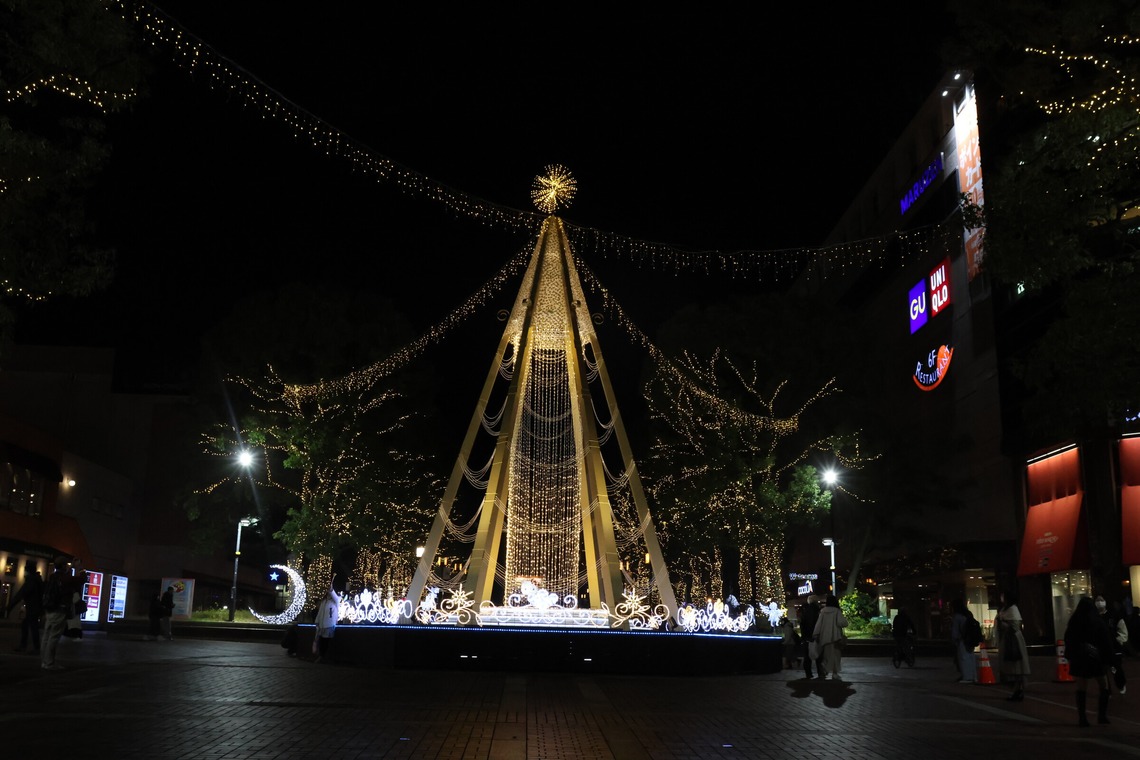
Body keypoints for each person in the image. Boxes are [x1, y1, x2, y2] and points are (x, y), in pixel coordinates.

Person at [1065, 595, 1115, 726]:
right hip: (1096, 658)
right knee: (1103, 685)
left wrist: (1070, 655)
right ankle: (1102, 716)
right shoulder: (1097, 621)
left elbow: (1068, 639)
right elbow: (1106, 641)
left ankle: (1082, 718)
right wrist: (1109, 658)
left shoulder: (1074, 621)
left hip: (1080, 658)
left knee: (1082, 687)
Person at [39, 556, 76, 670]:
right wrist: (77, 569)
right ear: (64, 566)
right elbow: (72, 582)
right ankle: (49, 663)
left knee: (46, 636)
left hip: (49, 609)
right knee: (54, 637)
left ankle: (44, 662)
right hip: (59, 610)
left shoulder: (52, 577)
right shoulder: (63, 578)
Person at [996, 589, 1030, 701]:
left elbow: (1015, 626)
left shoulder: (1012, 609)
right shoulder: (1006, 609)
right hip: (1007, 639)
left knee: (1016, 665)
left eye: (1003, 595)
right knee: (1011, 665)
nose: (1001, 598)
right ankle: (1016, 690)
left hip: (1013, 640)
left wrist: (1002, 622)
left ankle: (1018, 690)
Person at [7, 561, 44, 654]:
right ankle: (31, 647)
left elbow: (21, 594)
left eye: (25, 570)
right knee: (30, 626)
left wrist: (10, 606)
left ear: (28, 571)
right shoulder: (37, 579)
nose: (24, 572)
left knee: (31, 627)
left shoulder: (31, 581)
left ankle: (32, 647)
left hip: (32, 608)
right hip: (36, 607)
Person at [812, 593, 848, 680]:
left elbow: (819, 624)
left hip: (825, 637)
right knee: (836, 655)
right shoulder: (837, 611)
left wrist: (816, 634)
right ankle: (835, 673)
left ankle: (825, 667)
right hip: (836, 637)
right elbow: (842, 623)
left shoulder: (823, 611)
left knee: (827, 655)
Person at [1096, 596, 1128, 695]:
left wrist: (1119, 640)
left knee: (1116, 668)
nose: (1099, 602)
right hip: (1100, 649)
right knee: (1102, 671)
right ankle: (1107, 690)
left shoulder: (1114, 615)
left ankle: (1121, 684)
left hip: (1114, 647)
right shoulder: (1094, 617)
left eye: (1101, 600)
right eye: (1097, 600)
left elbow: (1122, 629)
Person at [313, 575, 341, 663]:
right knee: (321, 641)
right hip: (321, 625)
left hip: (329, 625)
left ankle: (323, 657)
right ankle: (321, 656)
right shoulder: (324, 602)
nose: (328, 592)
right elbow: (320, 613)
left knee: (326, 642)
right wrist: (317, 621)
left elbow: (336, 597)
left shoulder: (336, 601)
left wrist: (331, 589)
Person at [950, 598, 975, 683]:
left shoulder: (957, 617)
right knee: (970, 657)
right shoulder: (968, 614)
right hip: (970, 638)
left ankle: (967, 677)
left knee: (963, 658)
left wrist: (954, 640)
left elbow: (955, 632)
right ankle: (972, 676)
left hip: (962, 640)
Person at [799, 595, 821, 679]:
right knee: (818, 655)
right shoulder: (817, 610)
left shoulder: (805, 610)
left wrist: (804, 636)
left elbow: (802, 624)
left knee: (807, 656)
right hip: (815, 636)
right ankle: (820, 673)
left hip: (806, 637)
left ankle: (808, 673)